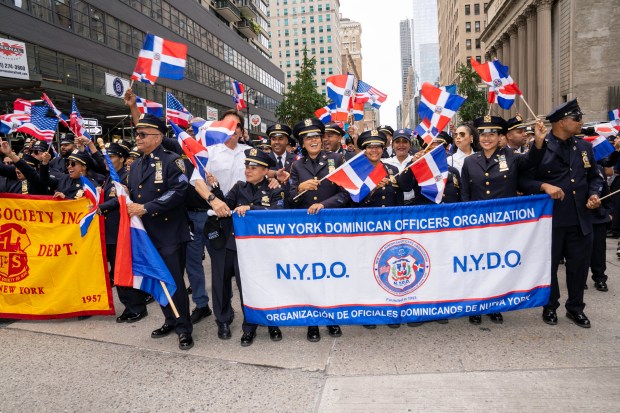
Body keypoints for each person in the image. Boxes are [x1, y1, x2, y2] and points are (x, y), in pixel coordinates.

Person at [523, 100, 604, 328]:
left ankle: (575, 308)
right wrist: (544, 187)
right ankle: (550, 306)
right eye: (576, 118)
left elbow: (595, 177)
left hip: (581, 218)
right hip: (552, 220)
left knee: (579, 267)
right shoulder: (540, 146)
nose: (581, 122)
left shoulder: (584, 147)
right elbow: (524, 178)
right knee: (549, 266)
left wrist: (594, 194)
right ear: (561, 122)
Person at [460, 115, 547, 325]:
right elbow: (465, 193)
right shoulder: (470, 161)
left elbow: (532, 161)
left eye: (492, 134)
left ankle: (494, 305)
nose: (487, 138)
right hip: (477, 224)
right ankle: (476, 306)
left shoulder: (512, 158)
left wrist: (539, 141)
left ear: (500, 137)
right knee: (477, 266)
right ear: (477, 138)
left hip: (503, 225)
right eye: (483, 134)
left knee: (497, 267)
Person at [125, 114, 194, 349]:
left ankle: (184, 327)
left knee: (173, 281)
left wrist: (146, 208)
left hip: (170, 233)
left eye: (143, 134)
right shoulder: (136, 164)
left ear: (158, 137)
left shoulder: (172, 161)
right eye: (137, 134)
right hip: (147, 234)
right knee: (157, 278)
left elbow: (178, 191)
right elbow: (134, 194)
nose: (138, 138)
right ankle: (169, 319)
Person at [289, 118, 350, 342]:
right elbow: (290, 198)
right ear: (302, 143)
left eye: (316, 136)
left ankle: (331, 318)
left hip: (330, 225)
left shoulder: (336, 159)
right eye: (308, 138)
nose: (313, 141)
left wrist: (324, 205)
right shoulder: (296, 165)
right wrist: (299, 189)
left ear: (322, 139)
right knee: (311, 273)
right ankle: (312, 322)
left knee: (330, 273)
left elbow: (345, 194)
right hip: (307, 229)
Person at [223, 148, 285, 346]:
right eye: (246, 167)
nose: (247, 171)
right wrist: (213, 188)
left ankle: (272, 323)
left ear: (265, 170)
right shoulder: (239, 187)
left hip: (267, 248)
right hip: (241, 248)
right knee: (246, 288)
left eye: (253, 167)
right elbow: (224, 206)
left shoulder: (275, 188)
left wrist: (251, 208)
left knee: (269, 285)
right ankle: (249, 327)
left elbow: (278, 211)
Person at [355, 129, 403, 330]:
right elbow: (351, 202)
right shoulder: (356, 171)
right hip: (367, 228)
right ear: (364, 150)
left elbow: (399, 199)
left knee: (390, 269)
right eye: (369, 147)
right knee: (368, 270)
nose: (374, 150)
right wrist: (371, 189)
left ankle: (391, 310)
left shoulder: (392, 169)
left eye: (378, 146)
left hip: (390, 227)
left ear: (383, 148)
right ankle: (369, 311)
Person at [97, 142, 150, 323]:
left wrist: (99, 207)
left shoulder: (126, 177)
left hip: (122, 230)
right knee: (117, 273)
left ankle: (137, 307)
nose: (107, 161)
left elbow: (118, 200)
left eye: (111, 157)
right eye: (106, 158)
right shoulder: (109, 178)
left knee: (126, 270)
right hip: (110, 231)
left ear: (121, 158)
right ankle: (128, 305)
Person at [382, 129, 416, 205]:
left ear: (410, 145)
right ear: (392, 145)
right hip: (394, 206)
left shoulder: (416, 161)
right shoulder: (385, 162)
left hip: (414, 205)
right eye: (397, 142)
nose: (401, 145)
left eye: (405, 141)